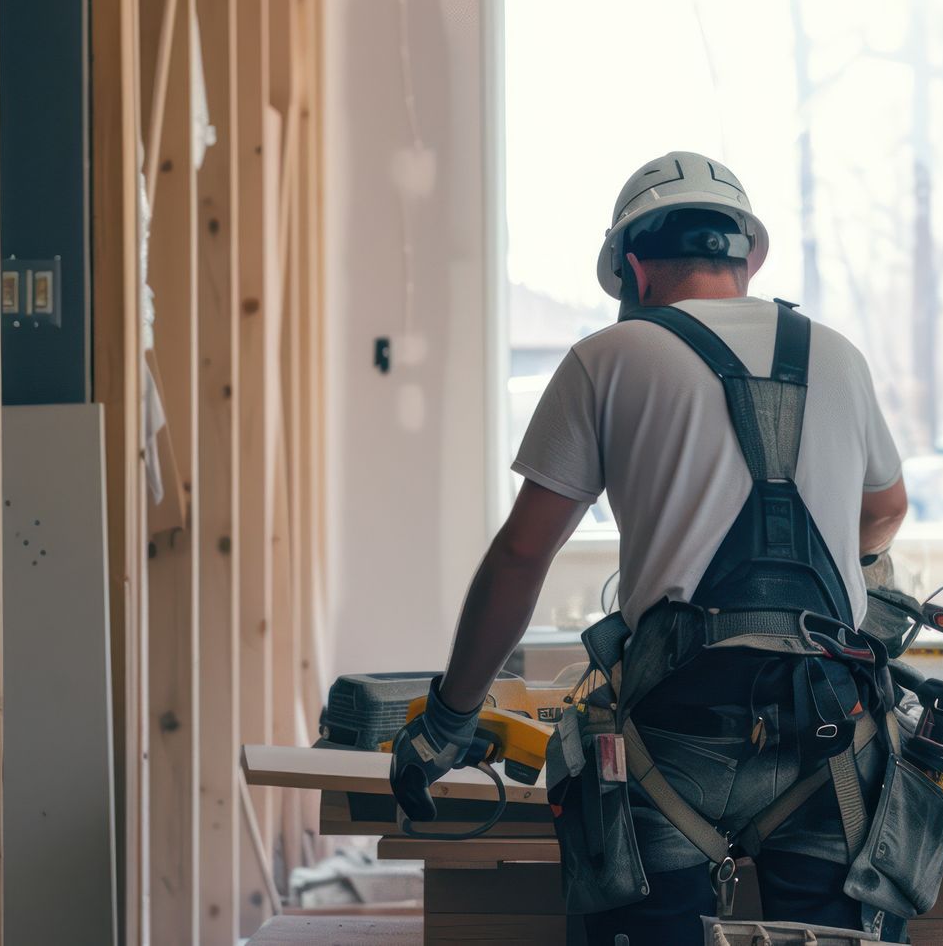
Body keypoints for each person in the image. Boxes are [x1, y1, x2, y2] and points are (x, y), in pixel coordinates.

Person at [391, 151, 914, 943]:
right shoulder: (838, 355)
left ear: (633, 269)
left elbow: (522, 556)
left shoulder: (608, 359)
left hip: (672, 732)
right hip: (827, 730)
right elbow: (887, 510)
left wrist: (450, 718)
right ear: (749, 257)